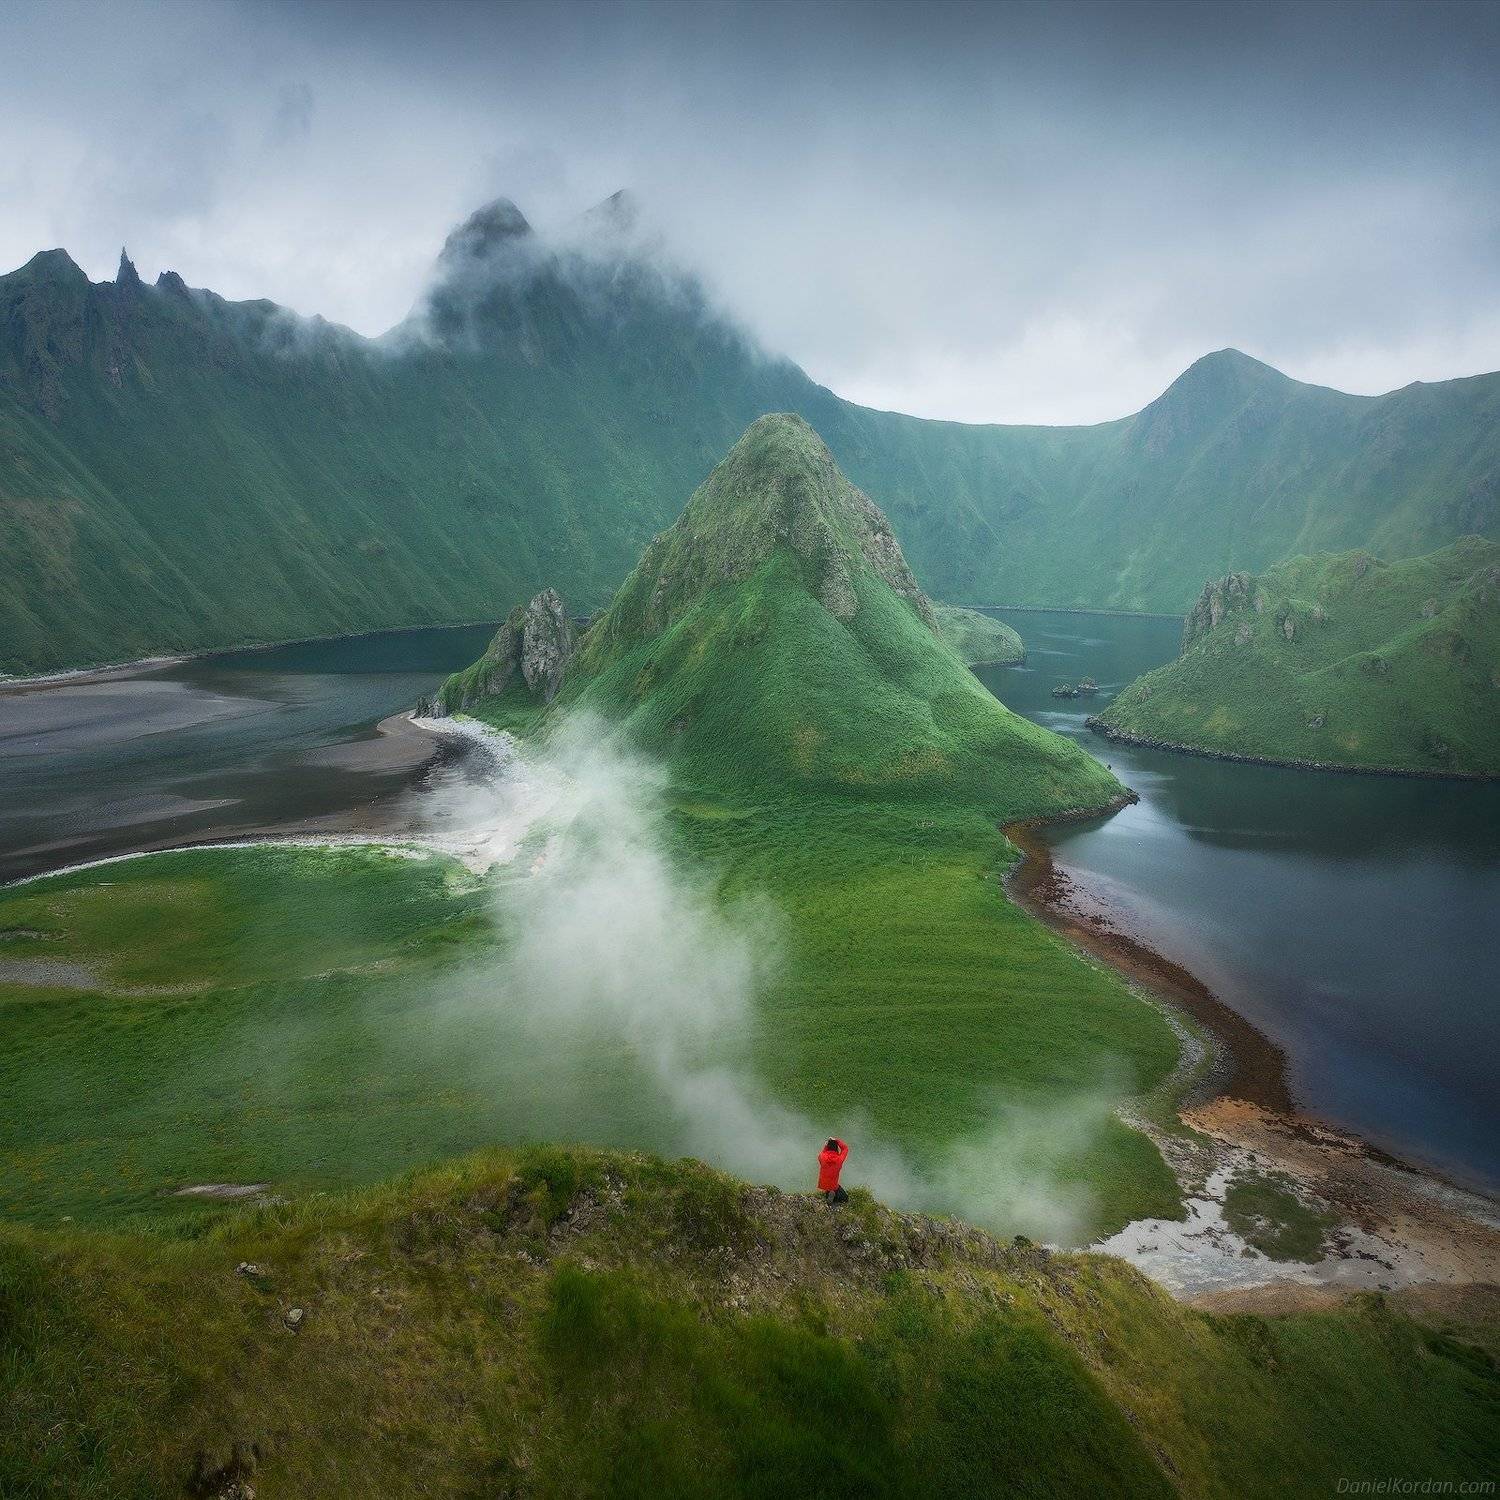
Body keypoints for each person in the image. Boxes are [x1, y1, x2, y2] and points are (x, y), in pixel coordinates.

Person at [817, 1136, 849, 1206]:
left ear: (827, 1147)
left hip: (823, 1184)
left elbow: (822, 1152)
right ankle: (833, 1199)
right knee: (845, 1199)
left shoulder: (822, 1156)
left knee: (829, 1188)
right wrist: (836, 1140)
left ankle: (829, 1194)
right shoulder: (839, 1159)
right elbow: (845, 1148)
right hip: (833, 1185)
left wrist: (826, 1145)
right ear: (836, 1148)